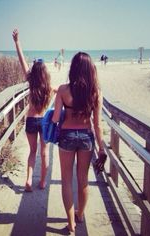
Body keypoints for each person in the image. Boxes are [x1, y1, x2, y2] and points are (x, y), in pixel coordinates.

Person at [52, 52, 106, 233]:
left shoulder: (63, 90)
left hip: (66, 136)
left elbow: (54, 118)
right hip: (86, 138)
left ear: (73, 69)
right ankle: (80, 215)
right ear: (91, 70)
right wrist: (102, 149)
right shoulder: (96, 92)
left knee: (66, 180)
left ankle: (71, 223)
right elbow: (97, 125)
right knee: (83, 179)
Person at [12, 29, 54, 192]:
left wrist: (17, 42)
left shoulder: (31, 82)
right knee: (44, 153)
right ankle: (43, 182)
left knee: (32, 152)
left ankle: (29, 179)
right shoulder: (49, 87)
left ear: (33, 73)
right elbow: (64, 90)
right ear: (45, 73)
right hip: (44, 121)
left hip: (30, 120)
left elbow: (22, 61)